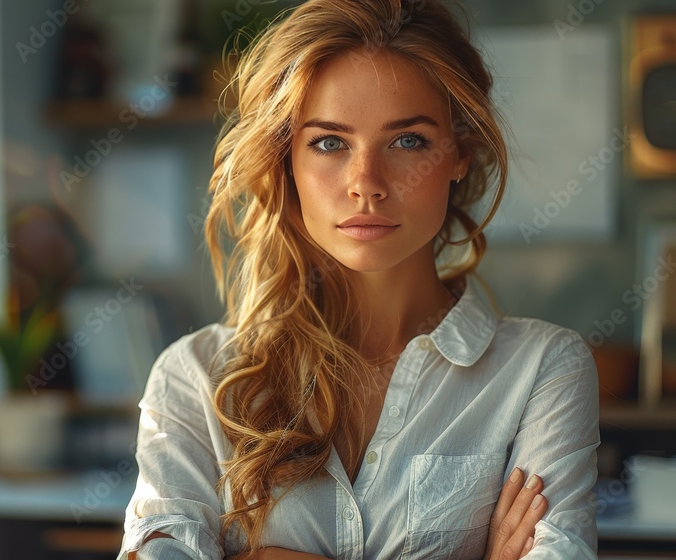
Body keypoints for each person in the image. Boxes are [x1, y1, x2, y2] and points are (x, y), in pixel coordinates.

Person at [118, 0, 600, 558]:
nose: (365, 183)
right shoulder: (196, 377)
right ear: (286, 160)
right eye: (329, 142)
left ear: (459, 153)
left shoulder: (543, 370)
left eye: (408, 140)